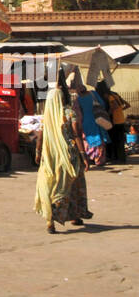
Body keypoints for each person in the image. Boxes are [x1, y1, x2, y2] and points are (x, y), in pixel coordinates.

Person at [34, 81, 92, 233]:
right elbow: (76, 135)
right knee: (71, 185)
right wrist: (83, 156)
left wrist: (38, 152)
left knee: (53, 185)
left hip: (50, 156)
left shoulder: (47, 116)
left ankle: (57, 220)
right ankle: (61, 216)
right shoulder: (69, 113)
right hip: (69, 156)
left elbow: (41, 135)